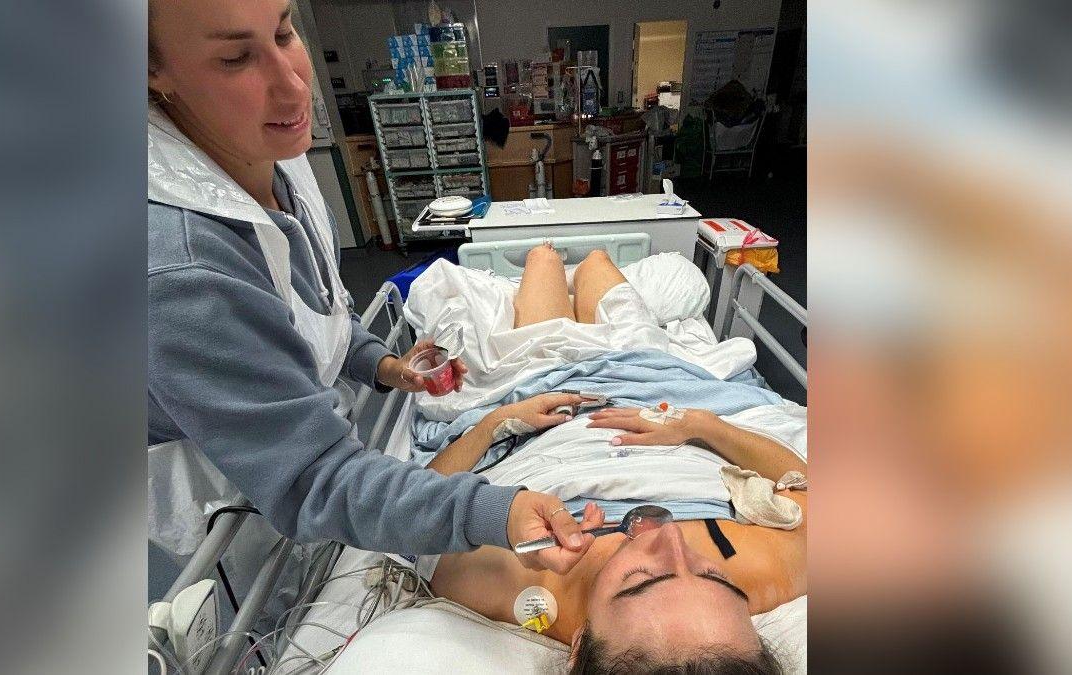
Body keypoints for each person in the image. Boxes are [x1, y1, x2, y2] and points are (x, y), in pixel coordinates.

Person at [145, 0, 595, 598]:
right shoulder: (181, 269)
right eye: (234, 58)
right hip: (225, 511)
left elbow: (319, 308)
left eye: (284, 32)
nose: (292, 83)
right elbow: (312, 478)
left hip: (312, 466)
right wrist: (492, 512)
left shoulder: (272, 159)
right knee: (258, 624)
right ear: (152, 71)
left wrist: (385, 365)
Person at [415, 247, 805, 674]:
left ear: (579, 647)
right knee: (597, 261)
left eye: (640, 581)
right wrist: (701, 425)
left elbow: (418, 501)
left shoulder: (506, 580)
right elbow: (804, 479)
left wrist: (499, 421)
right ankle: (577, 273)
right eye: (718, 578)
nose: (672, 537)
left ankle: (543, 272)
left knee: (542, 259)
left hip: (543, 377)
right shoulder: (772, 571)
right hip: (654, 378)